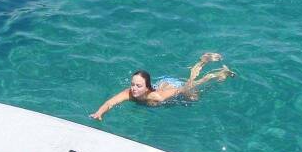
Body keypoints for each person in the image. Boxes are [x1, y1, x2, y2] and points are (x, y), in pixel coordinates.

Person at [90, 53, 234, 121]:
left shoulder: (157, 97)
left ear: (147, 87)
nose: (134, 88)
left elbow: (182, 88)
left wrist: (191, 87)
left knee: (193, 95)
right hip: (162, 85)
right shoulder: (129, 93)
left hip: (174, 87)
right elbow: (110, 102)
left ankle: (208, 67)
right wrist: (99, 113)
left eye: (138, 86)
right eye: (132, 84)